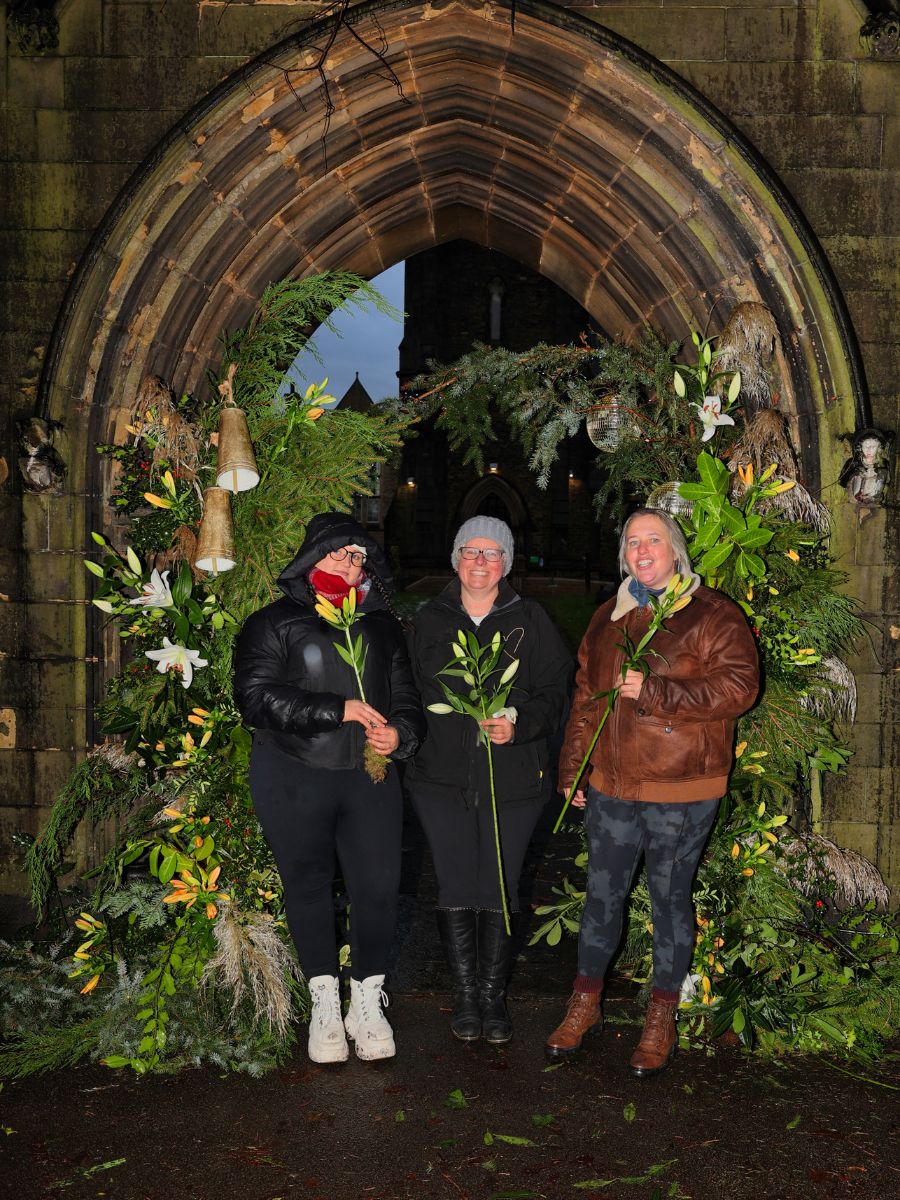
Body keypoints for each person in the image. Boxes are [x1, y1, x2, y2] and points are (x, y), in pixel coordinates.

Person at [545, 508, 759, 1076]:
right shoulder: (608, 618)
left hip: (682, 788)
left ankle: (661, 1015)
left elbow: (741, 686)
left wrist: (659, 692)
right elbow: (587, 700)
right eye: (632, 542)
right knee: (602, 898)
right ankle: (584, 1003)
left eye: (653, 541)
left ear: (675, 550)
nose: (642, 551)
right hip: (612, 784)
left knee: (669, 903)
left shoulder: (711, 614)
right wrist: (574, 770)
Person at [234, 513, 425, 1064]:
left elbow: (407, 697)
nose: (349, 560)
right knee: (309, 886)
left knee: (378, 889)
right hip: (293, 774)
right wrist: (333, 709)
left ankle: (366, 999)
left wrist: (402, 734)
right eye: (338, 551)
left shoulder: (382, 625)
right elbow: (253, 696)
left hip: (368, 778)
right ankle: (323, 999)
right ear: (311, 555)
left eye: (359, 554)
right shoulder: (273, 623)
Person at [406, 516, 572, 1045]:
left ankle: (493, 997)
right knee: (456, 883)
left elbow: (555, 691)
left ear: (507, 562)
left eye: (492, 553)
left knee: (499, 884)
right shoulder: (429, 620)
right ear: (455, 559)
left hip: (514, 781)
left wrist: (519, 720)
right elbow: (407, 693)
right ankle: (465, 996)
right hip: (441, 780)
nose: (481, 561)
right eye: (471, 551)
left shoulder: (532, 620)